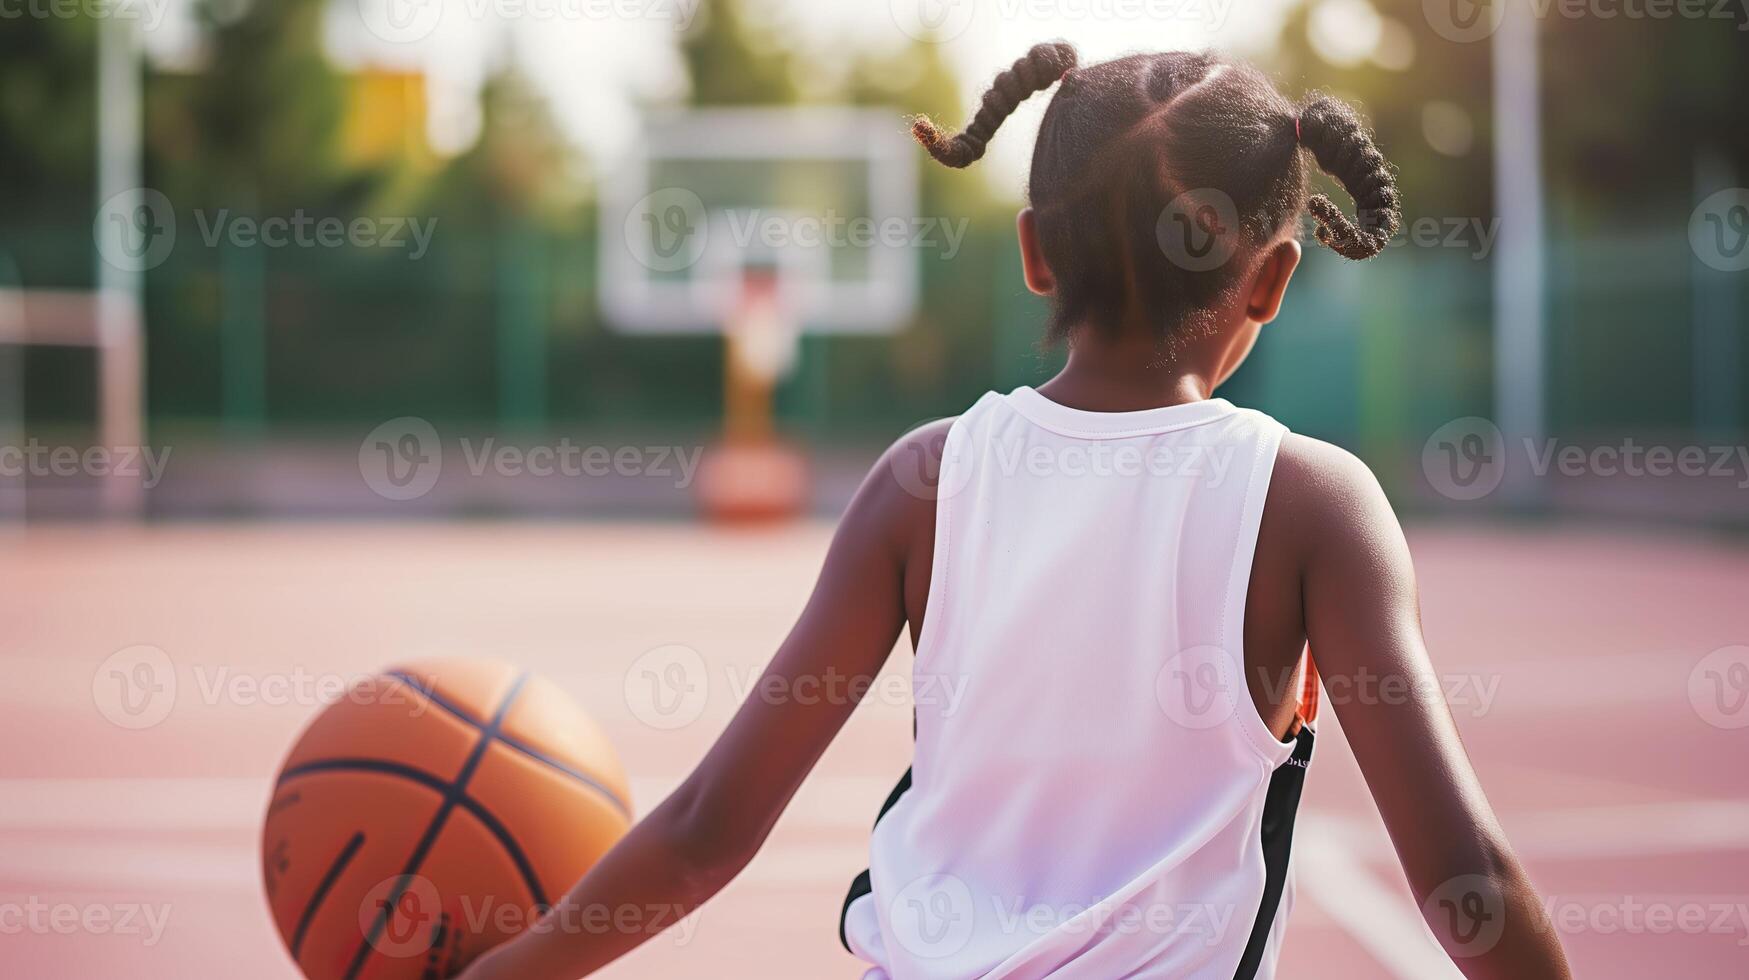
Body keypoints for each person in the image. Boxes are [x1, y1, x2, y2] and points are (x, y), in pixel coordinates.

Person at [459, 43, 1572, 979]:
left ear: (1036, 251)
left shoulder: (922, 480)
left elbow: (708, 825)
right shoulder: (1312, 502)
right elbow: (1461, 872)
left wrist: (502, 970)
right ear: (1273, 278)